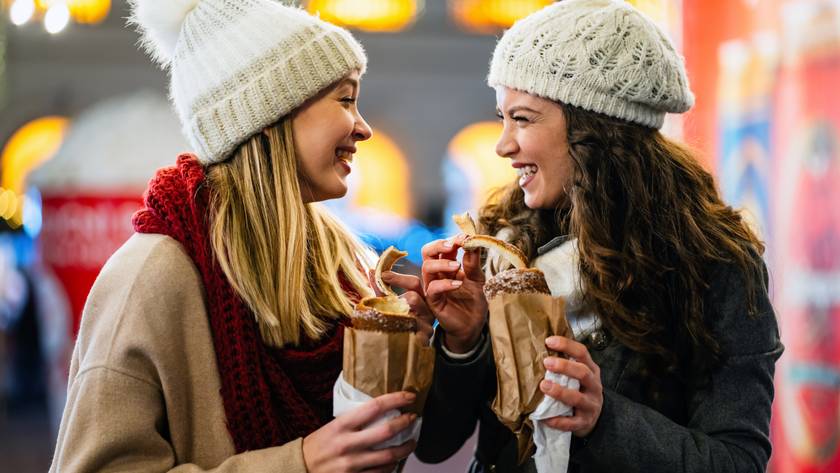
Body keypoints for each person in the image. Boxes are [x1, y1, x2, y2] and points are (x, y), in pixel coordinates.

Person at [397, 1, 784, 472]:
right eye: (502, 117)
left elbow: (737, 460)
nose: (503, 145)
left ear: (592, 127)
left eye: (522, 118)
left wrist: (604, 419)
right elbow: (434, 444)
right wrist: (462, 342)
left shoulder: (713, 261)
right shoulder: (502, 242)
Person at [49, 1, 431, 471]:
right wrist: (301, 463)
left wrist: (440, 343)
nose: (364, 127)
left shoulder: (341, 264)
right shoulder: (152, 272)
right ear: (272, 113)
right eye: (346, 99)